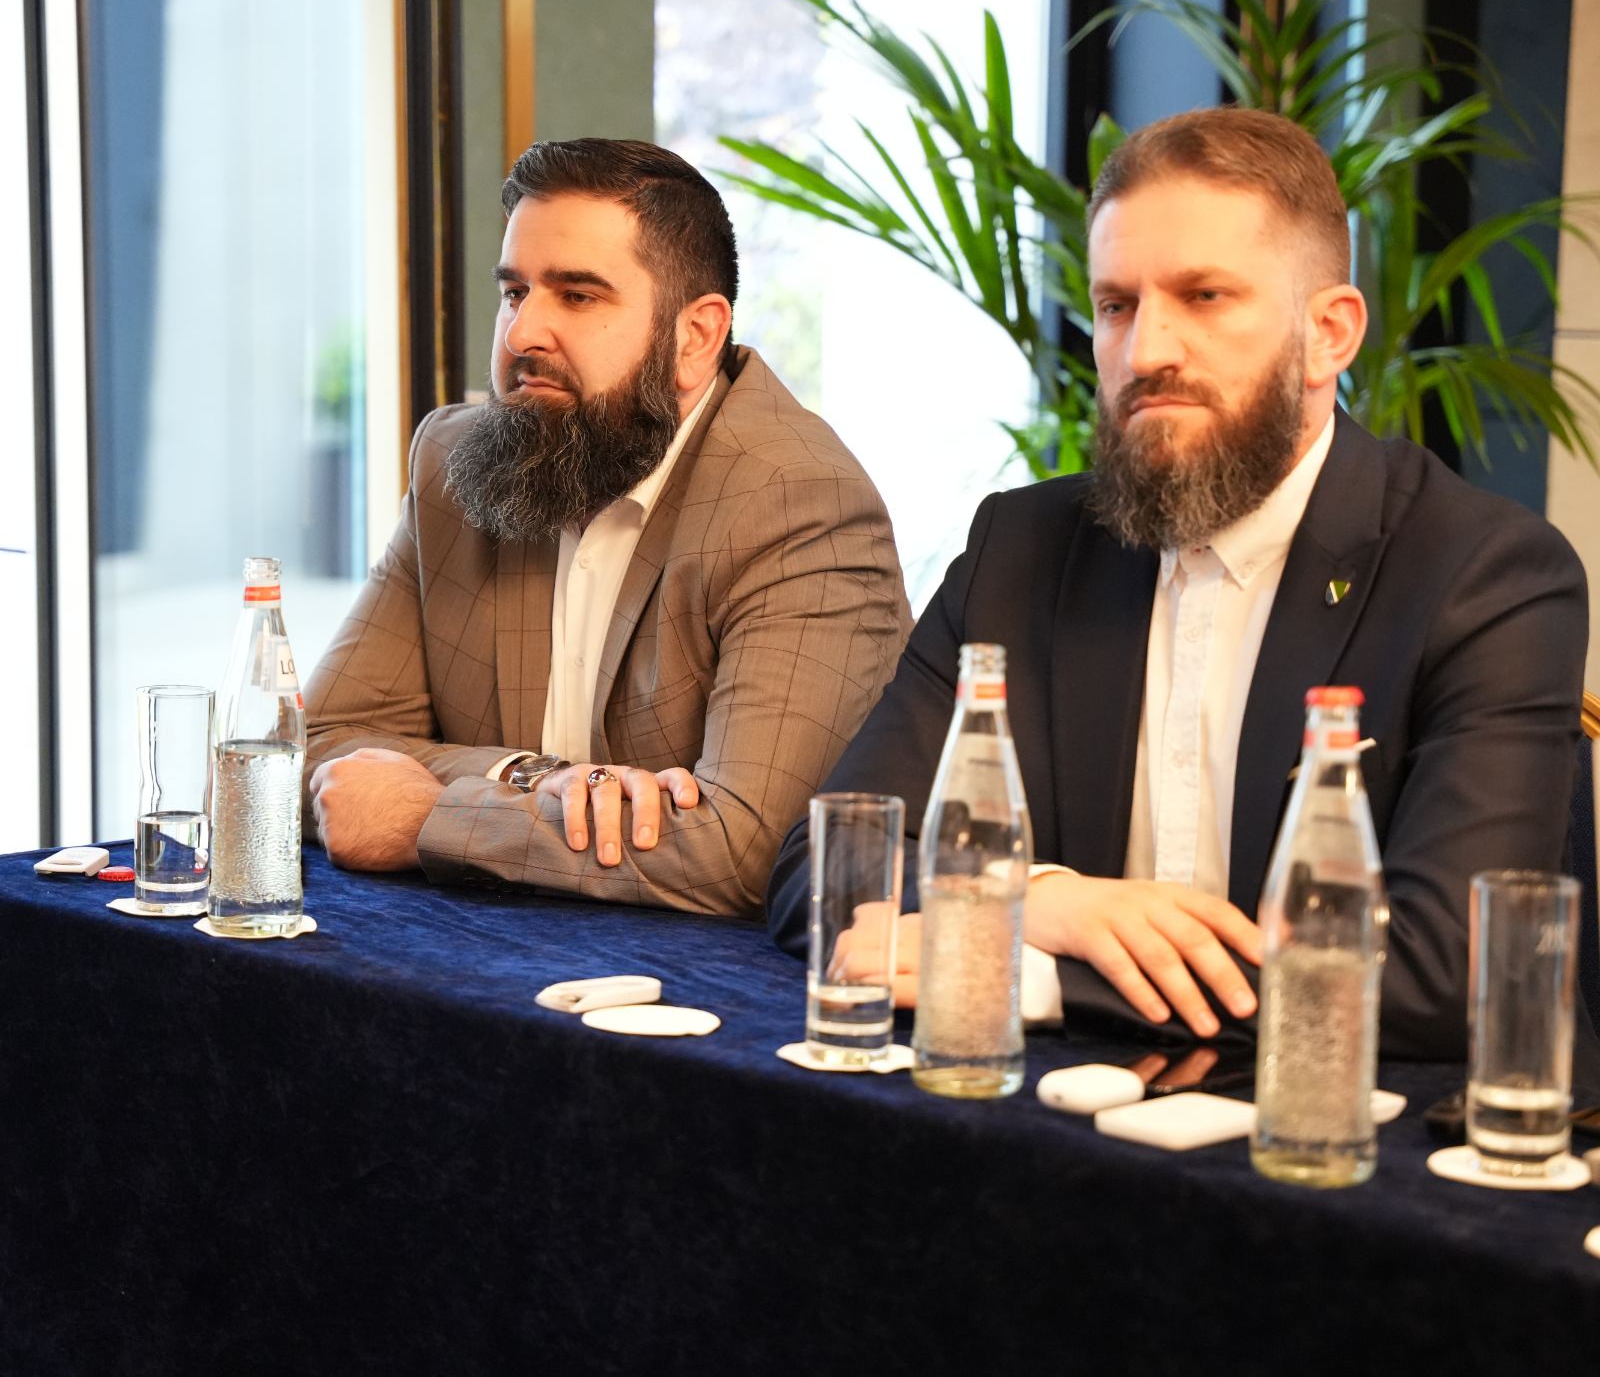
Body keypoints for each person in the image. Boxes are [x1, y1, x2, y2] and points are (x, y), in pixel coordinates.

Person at [764, 107, 1588, 1059]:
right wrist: (1041, 900)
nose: (1147, 350)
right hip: (1045, 1110)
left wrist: (1023, 965)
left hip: (1356, 1124)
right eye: (1117, 305)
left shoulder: (1485, 577)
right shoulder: (1020, 549)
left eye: (1204, 296)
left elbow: (1443, 975)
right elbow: (831, 866)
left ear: (1329, 333)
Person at [305, 138, 910, 914]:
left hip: (702, 984)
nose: (522, 334)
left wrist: (430, 816)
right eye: (515, 292)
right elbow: (318, 745)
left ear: (696, 336)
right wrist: (532, 778)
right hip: (493, 954)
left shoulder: (800, 505)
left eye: (578, 296)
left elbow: (747, 850)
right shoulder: (457, 462)